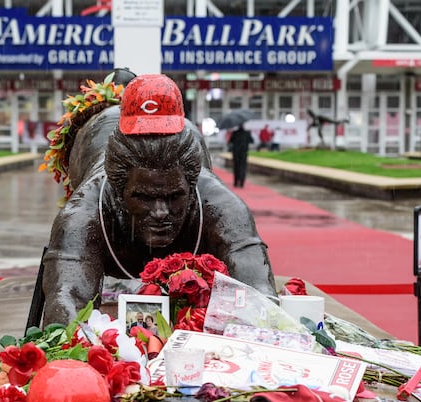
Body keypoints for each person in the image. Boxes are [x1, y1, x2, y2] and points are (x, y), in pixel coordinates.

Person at [41, 74, 277, 325]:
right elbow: (66, 304)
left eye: (174, 196)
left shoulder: (222, 207)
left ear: (192, 184)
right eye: (144, 198)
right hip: (92, 144)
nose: (161, 212)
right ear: (119, 192)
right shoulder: (83, 214)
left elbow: (262, 300)